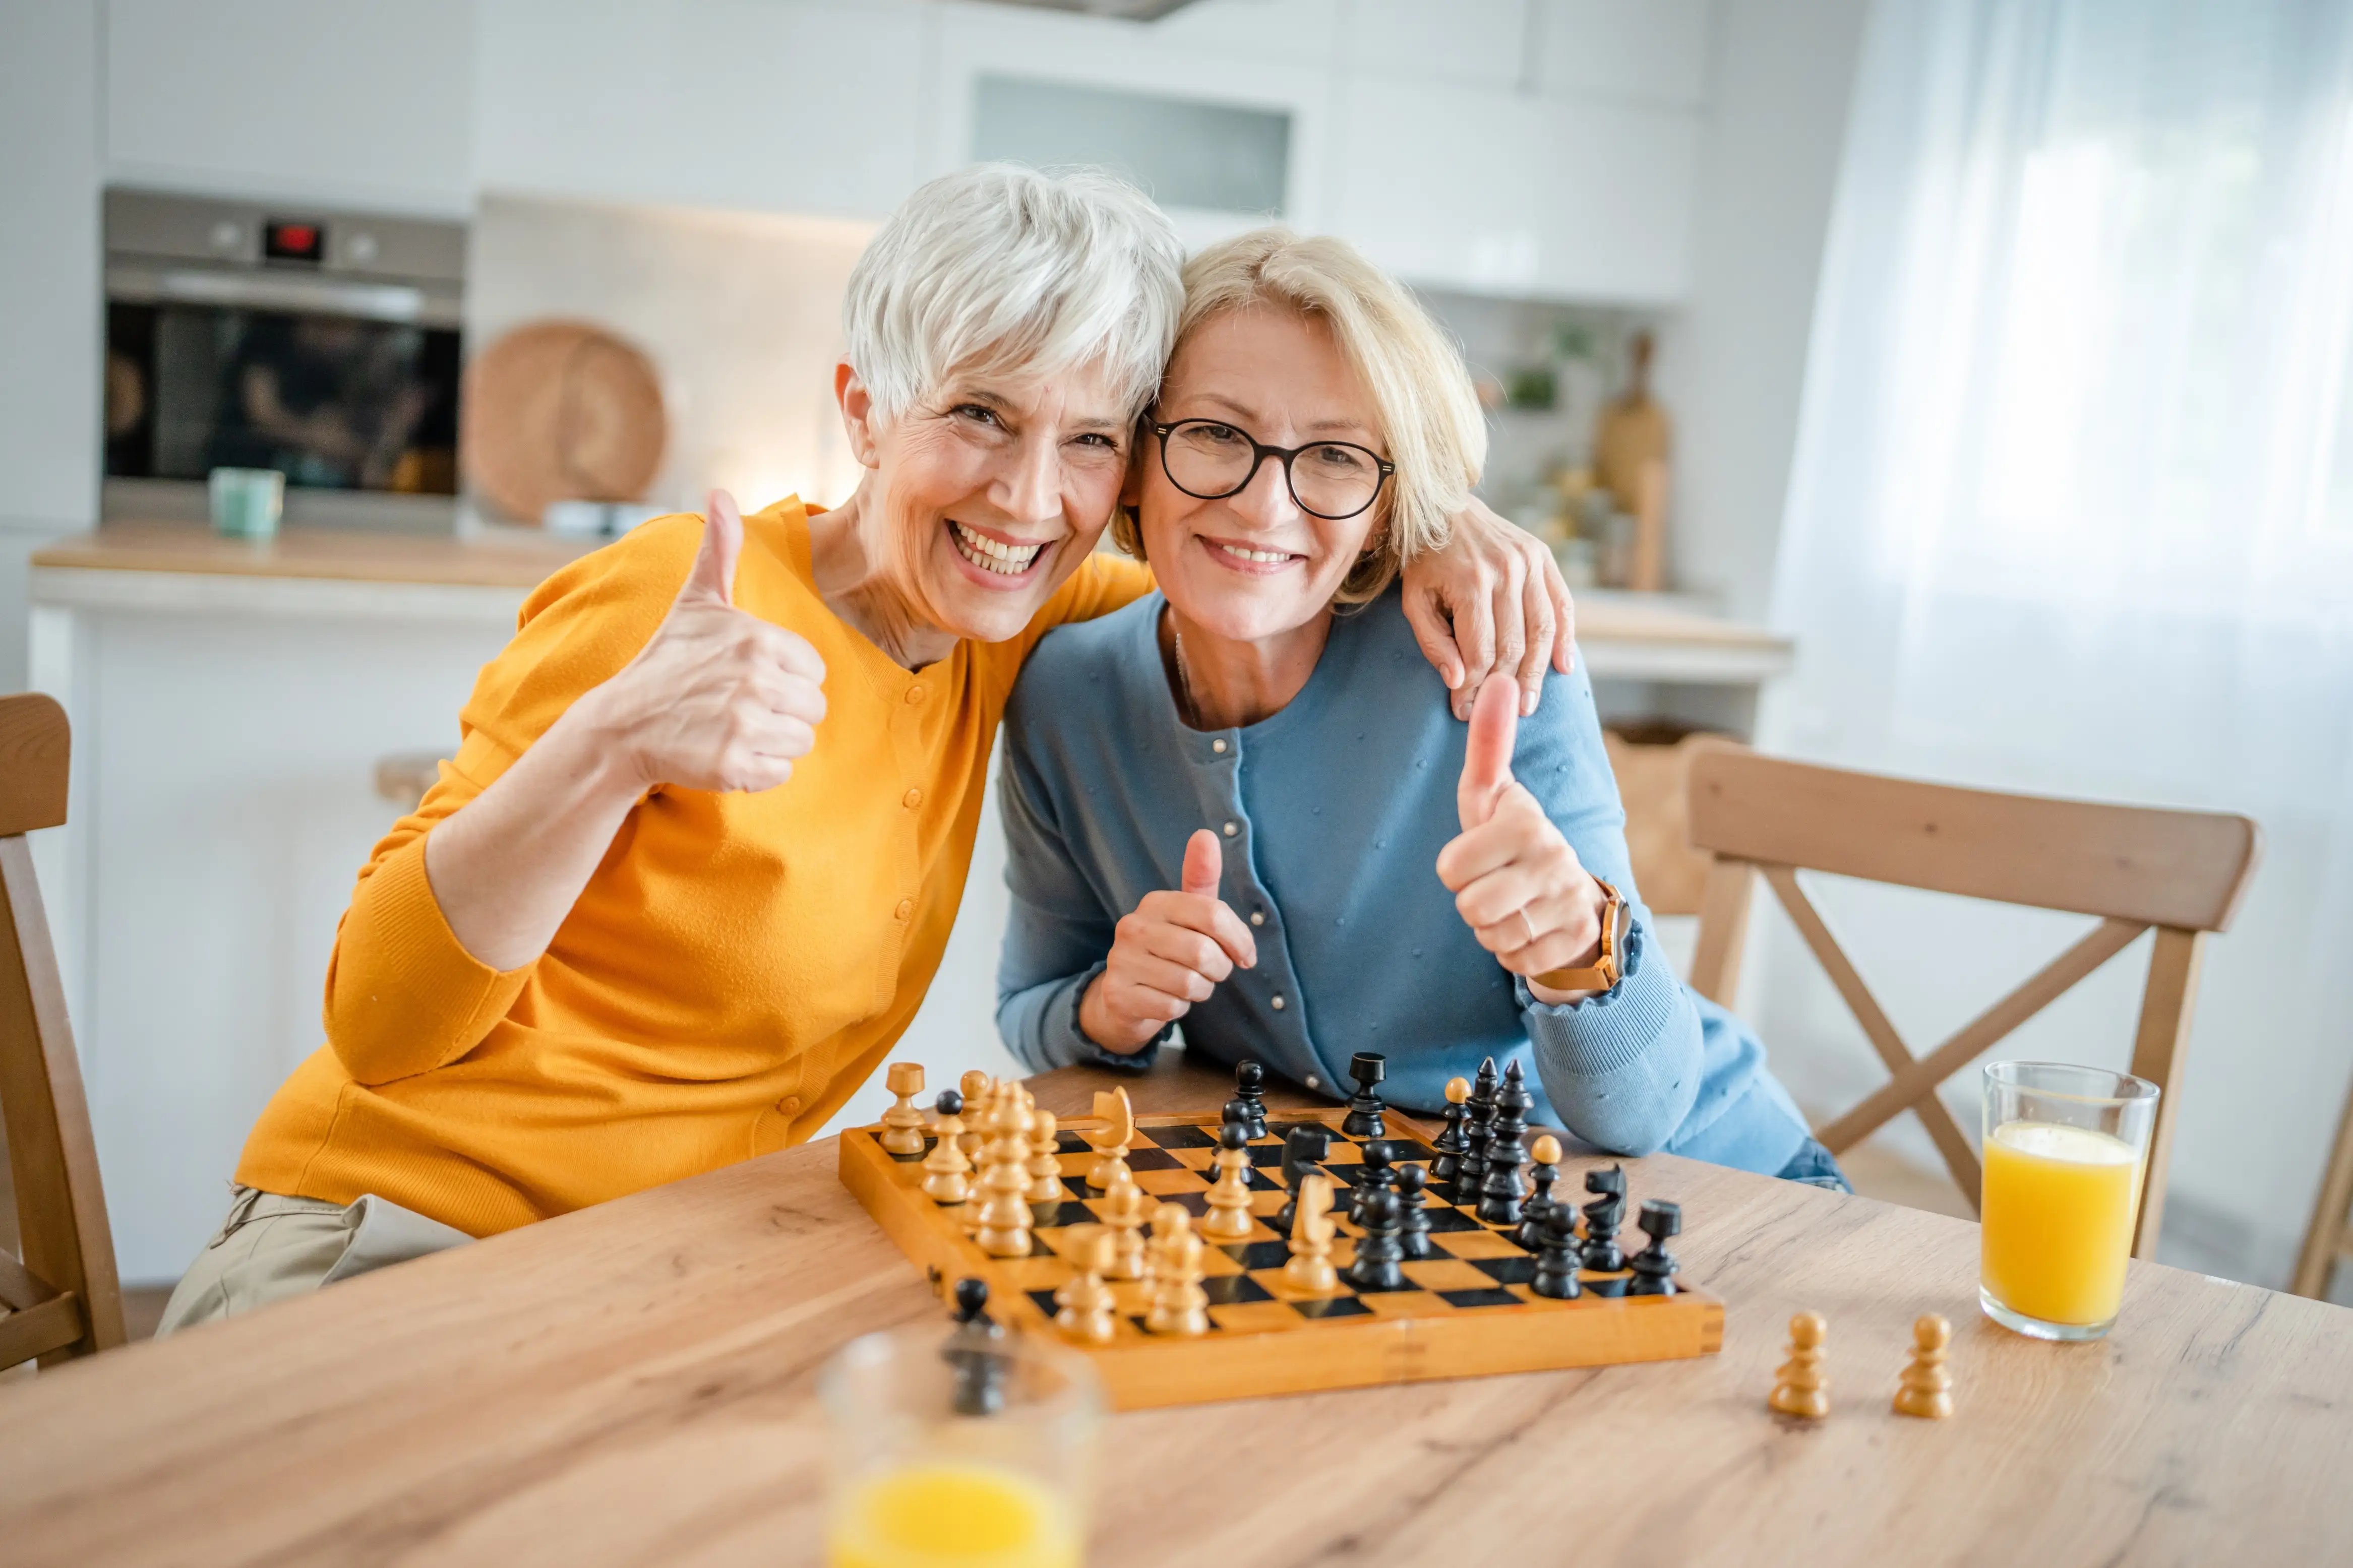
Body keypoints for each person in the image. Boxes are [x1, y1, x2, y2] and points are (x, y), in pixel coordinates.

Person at [158, 167, 1576, 1332]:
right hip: (399, 1244)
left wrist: (1438, 521)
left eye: (1088, 438)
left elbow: (1260, 546)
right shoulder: (684, 600)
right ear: (862, 411)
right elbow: (380, 1025)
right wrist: (606, 744)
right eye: (978, 414)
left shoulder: (1020, 606)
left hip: (647, 1281)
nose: (1029, 495)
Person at [996, 229, 1842, 1187]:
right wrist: (1108, 1007)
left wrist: (1571, 942)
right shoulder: (1064, 699)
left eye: (1335, 456)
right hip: (1402, 1212)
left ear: (1385, 504)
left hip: (1702, 1192)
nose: (1266, 505)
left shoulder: (1485, 657)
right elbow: (1031, 1005)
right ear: (1133, 455)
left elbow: (1640, 1113)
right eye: (1216, 435)